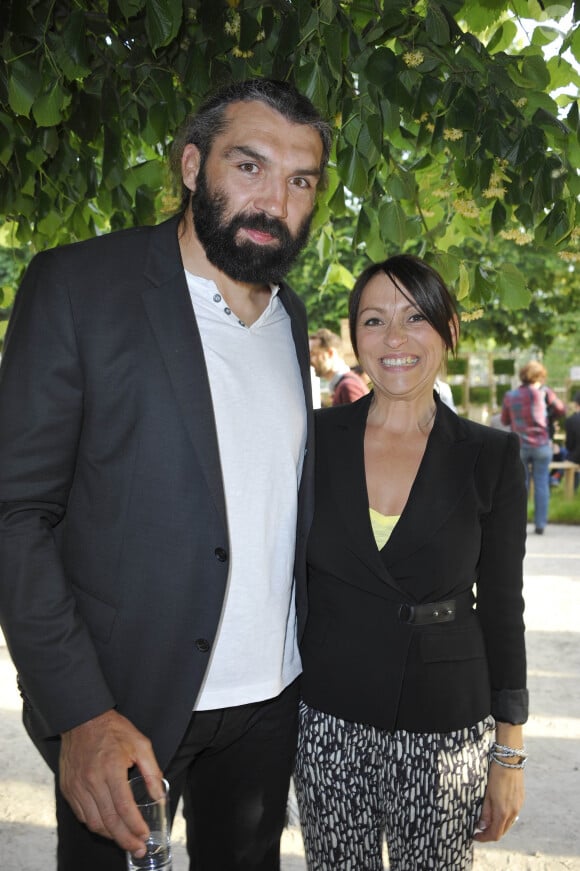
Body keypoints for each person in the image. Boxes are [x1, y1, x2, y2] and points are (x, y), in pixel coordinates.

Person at [0, 78, 332, 871]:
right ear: (191, 166)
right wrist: (80, 711)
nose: (274, 200)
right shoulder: (79, 287)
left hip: (267, 709)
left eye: (300, 180)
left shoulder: (291, 318)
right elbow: (16, 512)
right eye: (248, 167)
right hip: (126, 709)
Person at [294, 255, 528, 871]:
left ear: (448, 329)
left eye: (415, 317)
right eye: (374, 320)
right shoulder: (310, 440)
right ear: (355, 338)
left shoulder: (492, 456)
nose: (394, 338)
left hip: (446, 724)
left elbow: (504, 609)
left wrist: (508, 754)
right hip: (329, 719)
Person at [501, 360, 565, 534]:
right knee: (542, 483)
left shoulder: (510, 395)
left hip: (520, 445)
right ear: (539, 377)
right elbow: (562, 410)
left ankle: (519, 523)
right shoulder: (544, 393)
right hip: (542, 445)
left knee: (521, 485)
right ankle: (540, 525)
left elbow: (505, 421)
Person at [309, 327, 369, 405]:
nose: (310, 360)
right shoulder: (343, 385)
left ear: (330, 353)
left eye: (314, 354)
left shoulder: (348, 386)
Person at [564, 390, 580, 490]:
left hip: (575, 455)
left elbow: (569, 444)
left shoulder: (570, 420)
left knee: (567, 455)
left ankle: (571, 490)